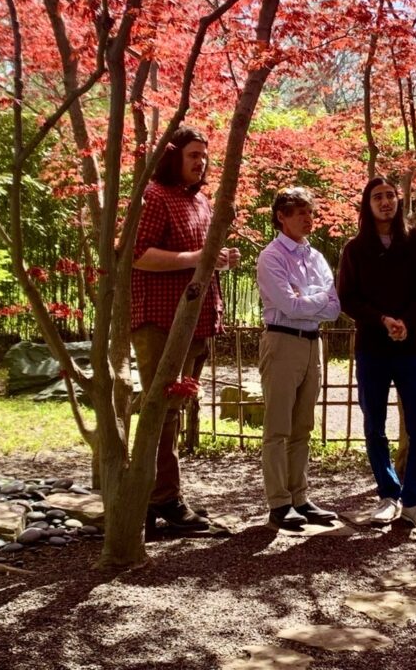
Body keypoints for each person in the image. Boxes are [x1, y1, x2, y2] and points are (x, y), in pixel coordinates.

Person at [131, 126, 240, 536]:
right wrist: (198, 257)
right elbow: (137, 254)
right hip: (161, 321)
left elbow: (198, 257)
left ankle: (160, 496)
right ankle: (160, 499)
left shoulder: (200, 201)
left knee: (174, 411)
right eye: (194, 154)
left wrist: (217, 258)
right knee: (161, 411)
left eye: (205, 155)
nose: (202, 162)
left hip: (196, 320)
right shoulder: (154, 196)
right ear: (173, 156)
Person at [338, 177, 416, 529]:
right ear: (367, 205)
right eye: (377, 197)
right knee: (374, 425)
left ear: (399, 201)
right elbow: (348, 298)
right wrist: (381, 320)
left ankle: (414, 502)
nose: (385, 202)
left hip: (410, 347)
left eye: (390, 196)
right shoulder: (355, 249)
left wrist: (407, 322)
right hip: (372, 348)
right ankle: (388, 495)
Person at [256, 187, 341, 530]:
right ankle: (279, 503)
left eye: (310, 212)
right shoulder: (271, 257)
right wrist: (316, 298)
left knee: (303, 425)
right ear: (282, 217)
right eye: (300, 212)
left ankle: (300, 497)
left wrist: (306, 297)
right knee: (278, 425)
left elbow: (335, 308)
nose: (308, 218)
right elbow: (289, 306)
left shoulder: (316, 256)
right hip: (282, 341)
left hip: (312, 343)